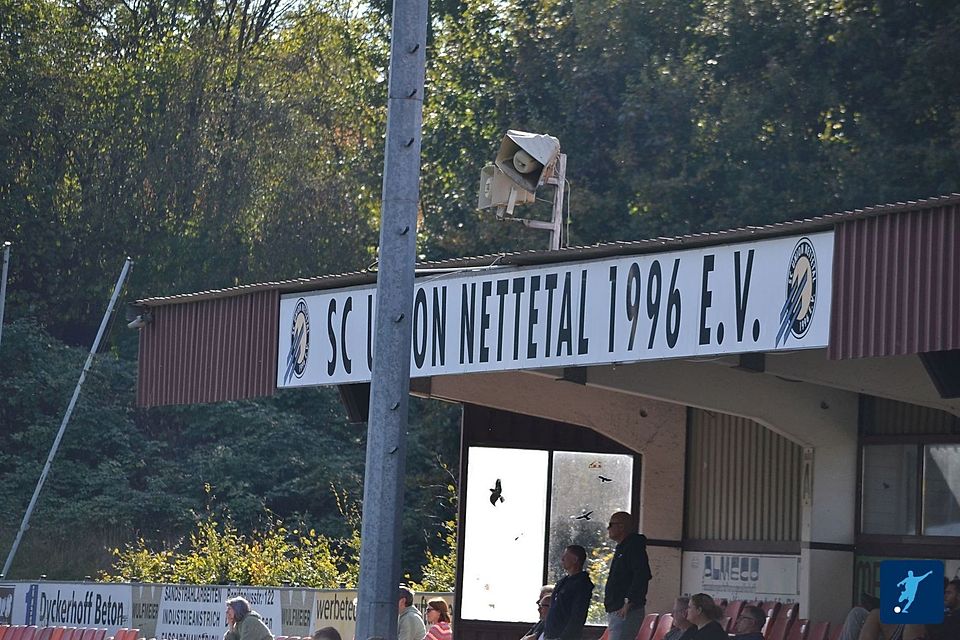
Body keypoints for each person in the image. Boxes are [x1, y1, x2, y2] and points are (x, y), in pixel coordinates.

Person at [603, 511, 653, 640]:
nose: (608, 528)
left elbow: (641, 575)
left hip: (625, 609)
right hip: (616, 608)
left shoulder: (634, 546)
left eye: (611, 524)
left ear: (621, 526)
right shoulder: (622, 547)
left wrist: (629, 602)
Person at [543, 545, 594, 640]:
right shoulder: (563, 582)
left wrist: (564, 637)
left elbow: (577, 615)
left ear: (575, 559)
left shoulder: (582, 584)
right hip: (551, 634)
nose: (562, 559)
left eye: (565, 556)